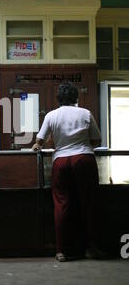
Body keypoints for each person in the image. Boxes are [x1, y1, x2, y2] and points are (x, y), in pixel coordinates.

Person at [32, 82, 103, 262]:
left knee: (62, 204)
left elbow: (38, 141)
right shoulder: (85, 113)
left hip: (61, 160)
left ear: (58, 99)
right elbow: (96, 140)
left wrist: (43, 145)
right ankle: (91, 248)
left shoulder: (51, 115)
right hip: (84, 159)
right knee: (89, 203)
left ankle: (61, 251)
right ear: (76, 97)